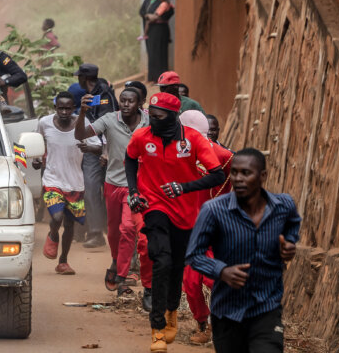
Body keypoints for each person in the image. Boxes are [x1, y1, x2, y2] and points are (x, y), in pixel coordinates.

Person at [125, 92, 225, 351]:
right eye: (151, 116)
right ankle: (157, 327)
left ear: (172, 117)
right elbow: (130, 158)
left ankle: (171, 311)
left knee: (177, 266)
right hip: (153, 205)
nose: (153, 121)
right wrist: (134, 191)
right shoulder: (142, 136)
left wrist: (184, 187)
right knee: (162, 261)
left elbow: (216, 175)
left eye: (159, 117)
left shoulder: (192, 140)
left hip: (185, 213)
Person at [185, 148, 299, 353]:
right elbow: (194, 255)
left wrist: (289, 245)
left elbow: (293, 225)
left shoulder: (283, 206)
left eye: (246, 173)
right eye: (235, 172)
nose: (238, 178)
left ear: (262, 176)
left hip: (266, 309)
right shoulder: (213, 211)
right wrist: (222, 271)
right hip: (227, 312)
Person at [76, 80, 152, 300]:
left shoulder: (149, 121)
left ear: (139, 104)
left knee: (128, 228)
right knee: (114, 232)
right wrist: (81, 113)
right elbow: (79, 135)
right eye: (123, 100)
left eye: (131, 101)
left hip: (136, 186)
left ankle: (120, 275)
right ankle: (116, 261)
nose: (126, 104)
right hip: (112, 183)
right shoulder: (110, 119)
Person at [182, 112, 235, 344]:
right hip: (185, 225)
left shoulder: (226, 157)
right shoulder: (178, 154)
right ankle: (202, 324)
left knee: (214, 278)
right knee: (191, 283)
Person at [35, 91, 101, 275]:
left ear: (74, 108)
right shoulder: (44, 123)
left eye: (67, 108)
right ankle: (53, 234)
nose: (64, 112)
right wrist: (37, 158)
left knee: (70, 225)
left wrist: (90, 148)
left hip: (75, 182)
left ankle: (63, 261)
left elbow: (98, 146)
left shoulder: (83, 123)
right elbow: (37, 143)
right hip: (52, 179)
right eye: (60, 108)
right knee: (57, 218)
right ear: (55, 108)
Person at [69, 63, 117, 250]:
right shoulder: (93, 94)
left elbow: (108, 125)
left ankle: (105, 231)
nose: (78, 80)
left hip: (105, 149)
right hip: (92, 148)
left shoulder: (104, 96)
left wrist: (104, 151)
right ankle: (96, 232)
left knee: (104, 189)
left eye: (79, 77)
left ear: (85, 78)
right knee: (91, 189)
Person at [156, 71, 210, 136]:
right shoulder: (158, 105)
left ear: (176, 87)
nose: (162, 91)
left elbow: (204, 125)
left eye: (164, 87)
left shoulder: (191, 105)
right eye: (161, 87)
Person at [145, 0, 174, 82]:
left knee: (155, 53)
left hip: (156, 30)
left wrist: (148, 16)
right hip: (164, 30)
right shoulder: (171, 5)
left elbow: (155, 17)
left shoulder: (163, 4)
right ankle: (163, 77)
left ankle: (155, 77)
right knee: (163, 54)